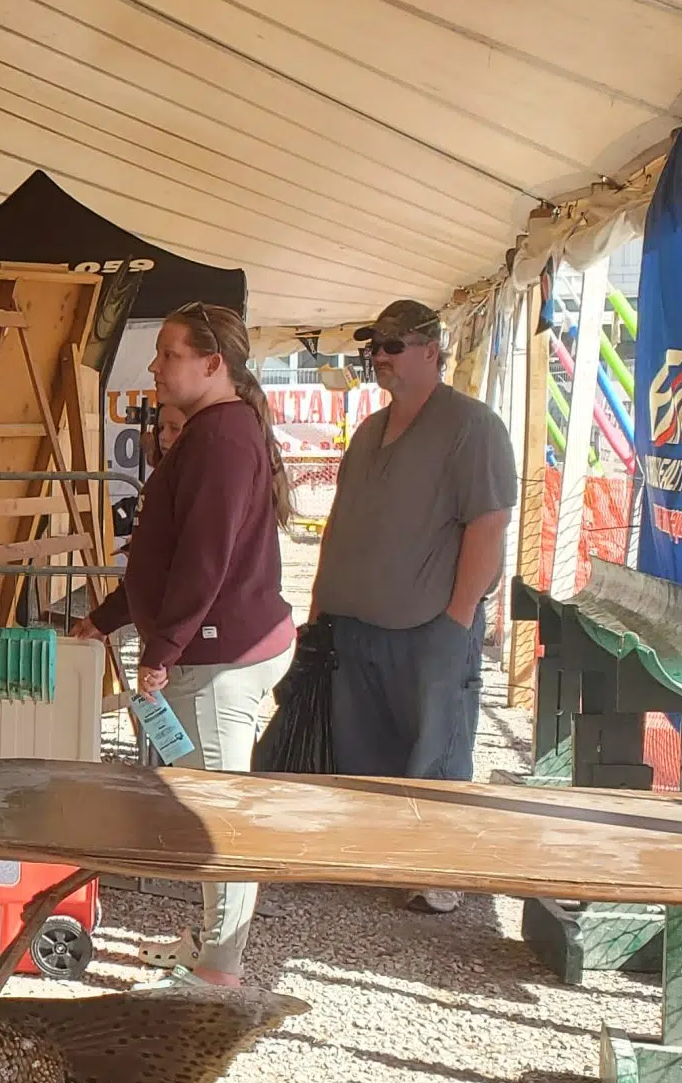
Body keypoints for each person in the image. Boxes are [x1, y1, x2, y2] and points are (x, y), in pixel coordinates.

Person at [75, 304, 292, 986]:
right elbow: (166, 559)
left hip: (219, 656)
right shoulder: (213, 432)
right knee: (207, 806)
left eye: (169, 354)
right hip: (212, 647)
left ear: (211, 363)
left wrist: (162, 650)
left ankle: (219, 971)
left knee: (219, 818)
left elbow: (205, 559)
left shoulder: (222, 438)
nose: (155, 366)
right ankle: (211, 945)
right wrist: (110, 618)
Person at [310, 298, 516, 915]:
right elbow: (340, 524)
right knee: (366, 749)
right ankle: (381, 857)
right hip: (357, 625)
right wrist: (321, 606)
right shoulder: (371, 429)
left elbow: (489, 523)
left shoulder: (472, 425)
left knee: (438, 751)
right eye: (374, 347)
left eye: (393, 347)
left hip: (430, 625)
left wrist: (457, 618)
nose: (379, 359)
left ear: (432, 350)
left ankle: (439, 872)